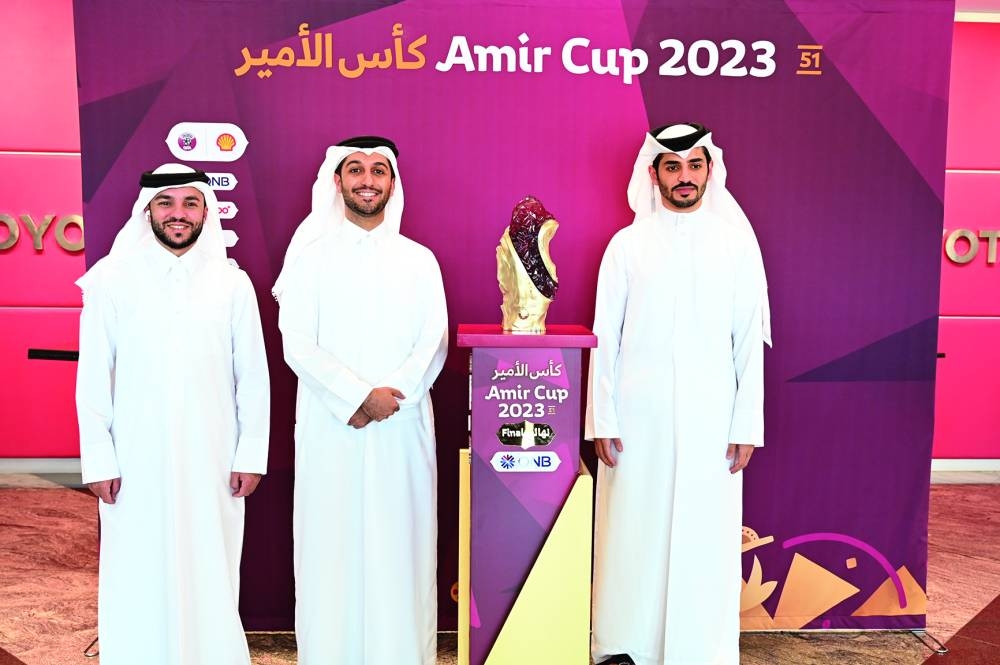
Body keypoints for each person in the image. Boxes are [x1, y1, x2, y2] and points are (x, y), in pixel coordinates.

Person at [586, 123, 771, 665]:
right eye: (673, 166)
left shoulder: (736, 245)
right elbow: (606, 337)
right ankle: (622, 648)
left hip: (713, 422)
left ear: (709, 171)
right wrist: (603, 417)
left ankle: (702, 650)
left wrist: (746, 425)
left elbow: (747, 344)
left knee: (704, 539)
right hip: (635, 421)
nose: (684, 176)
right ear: (655, 173)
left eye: (694, 164)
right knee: (631, 534)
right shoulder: (626, 245)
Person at [75, 164, 270, 664]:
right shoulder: (111, 281)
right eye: (166, 203)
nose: (178, 214)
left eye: (189, 203)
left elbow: (252, 376)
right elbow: (94, 377)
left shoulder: (232, 284)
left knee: (212, 564)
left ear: (206, 210)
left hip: (214, 456)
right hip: (135, 460)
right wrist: (99, 459)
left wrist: (251, 452)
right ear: (148, 211)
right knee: (137, 564)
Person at [273, 136, 448, 664]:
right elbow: (295, 341)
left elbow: (434, 339)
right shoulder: (310, 260)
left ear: (393, 184)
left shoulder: (419, 260)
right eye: (356, 169)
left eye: (378, 170)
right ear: (337, 181)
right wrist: (355, 396)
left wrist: (389, 396)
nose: (367, 179)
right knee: (332, 547)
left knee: (403, 546)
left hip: (403, 422)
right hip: (333, 426)